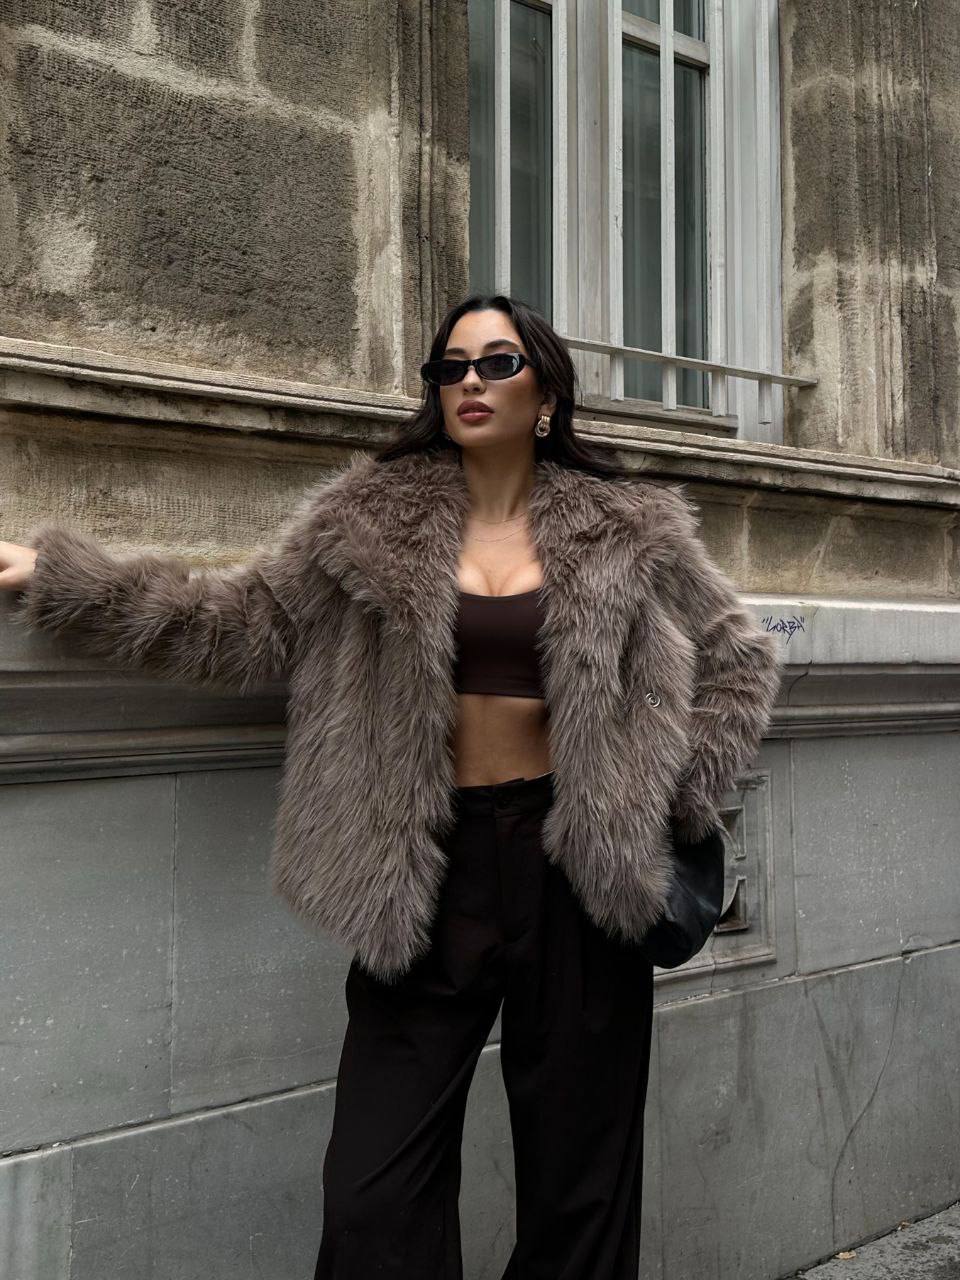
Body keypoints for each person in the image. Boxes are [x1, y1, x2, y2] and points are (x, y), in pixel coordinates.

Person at [0, 293, 782, 1278]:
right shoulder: (365, 521)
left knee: (580, 1187)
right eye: (451, 367)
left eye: (496, 362)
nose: (469, 381)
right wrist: (57, 580)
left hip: (579, 866)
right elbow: (233, 622)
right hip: (427, 869)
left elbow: (739, 659)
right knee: (373, 1193)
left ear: (545, 392)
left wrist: (666, 799)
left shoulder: (634, 528)